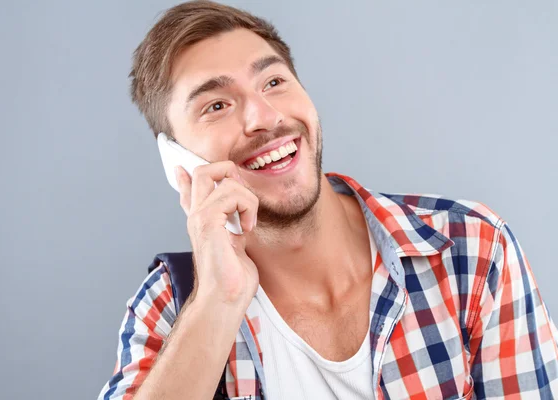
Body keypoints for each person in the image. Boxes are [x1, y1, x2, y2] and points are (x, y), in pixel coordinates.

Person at [97, 1, 558, 399]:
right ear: (177, 163)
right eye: (216, 105)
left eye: (273, 82)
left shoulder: (471, 252)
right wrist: (219, 301)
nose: (265, 117)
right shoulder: (170, 308)